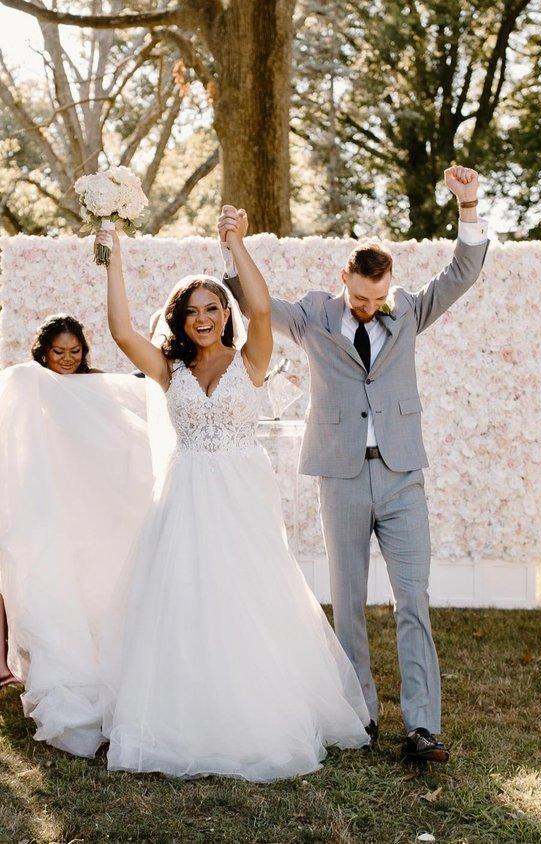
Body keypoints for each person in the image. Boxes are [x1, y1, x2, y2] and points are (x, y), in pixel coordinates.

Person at [86, 207, 369, 782]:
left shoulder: (251, 360)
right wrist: (112, 253)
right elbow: (119, 332)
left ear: (225, 313)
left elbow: (262, 306)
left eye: (213, 308)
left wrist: (235, 244)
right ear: (180, 320)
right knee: (185, 597)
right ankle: (185, 717)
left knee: (247, 594)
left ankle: (253, 711)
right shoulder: (170, 369)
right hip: (185, 493)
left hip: (241, 495)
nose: (203, 319)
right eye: (192, 312)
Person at [221, 166, 488, 762]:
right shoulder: (314, 317)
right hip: (339, 476)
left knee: (412, 600)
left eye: (379, 298)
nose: (370, 308)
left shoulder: (411, 312)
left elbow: (464, 272)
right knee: (348, 601)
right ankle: (360, 713)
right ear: (343, 278)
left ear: (390, 287)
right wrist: (233, 245)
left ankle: (422, 726)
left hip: (401, 477)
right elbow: (254, 304)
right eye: (361, 298)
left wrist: (467, 206)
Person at [0, 315, 101, 688]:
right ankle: (48, 670)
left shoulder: (92, 385)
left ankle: (85, 665)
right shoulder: (29, 385)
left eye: (75, 351)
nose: (67, 358)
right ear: (43, 351)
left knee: (84, 582)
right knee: (46, 584)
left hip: (81, 497)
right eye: (58, 351)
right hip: (43, 498)